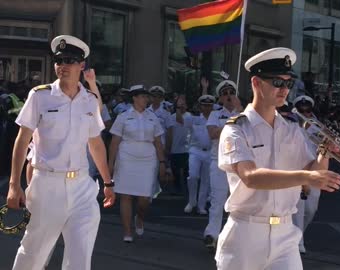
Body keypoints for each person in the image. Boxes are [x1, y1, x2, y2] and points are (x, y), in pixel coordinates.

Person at [215, 47, 340, 270]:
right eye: (277, 82)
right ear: (256, 83)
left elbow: (313, 172)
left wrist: (325, 152)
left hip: (285, 233)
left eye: (288, 83)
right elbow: (251, 177)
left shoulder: (293, 129)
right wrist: (308, 175)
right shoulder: (237, 129)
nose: (284, 89)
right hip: (245, 233)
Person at [6, 34, 115, 270]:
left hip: (83, 188)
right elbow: (22, 140)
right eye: (58, 60)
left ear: (81, 65)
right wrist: (14, 184)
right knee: (33, 254)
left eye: (68, 60)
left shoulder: (89, 100)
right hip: (47, 186)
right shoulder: (40, 95)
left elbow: (95, 143)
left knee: (80, 259)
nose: (62, 66)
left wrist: (108, 182)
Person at [108, 84, 166, 242]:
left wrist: (162, 162)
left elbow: (158, 141)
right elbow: (114, 142)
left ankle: (139, 218)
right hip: (127, 158)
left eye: (146, 96)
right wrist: (110, 163)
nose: (145, 99)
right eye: (142, 96)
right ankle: (127, 231)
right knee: (125, 195)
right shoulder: (123, 116)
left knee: (144, 198)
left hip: (148, 160)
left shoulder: (152, 116)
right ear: (134, 98)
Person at [203, 79, 243, 249]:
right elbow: (213, 133)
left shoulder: (244, 113)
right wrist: (232, 120)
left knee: (238, 203)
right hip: (219, 162)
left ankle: (234, 237)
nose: (228, 96)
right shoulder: (215, 114)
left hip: (239, 163)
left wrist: (238, 111)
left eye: (231, 93)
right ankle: (212, 234)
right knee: (217, 200)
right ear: (220, 98)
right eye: (225, 94)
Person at [291, 95, 321, 254]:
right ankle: (298, 242)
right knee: (299, 209)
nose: (305, 114)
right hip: (298, 172)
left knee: (311, 209)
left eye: (307, 111)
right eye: (301, 111)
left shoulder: (319, 128)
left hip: (315, 172)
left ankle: (297, 234)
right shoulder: (291, 126)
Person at [177, 95, 215, 215]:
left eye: (209, 105)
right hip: (195, 150)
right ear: (200, 107)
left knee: (205, 180)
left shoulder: (216, 119)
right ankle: (191, 201)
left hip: (210, 151)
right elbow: (179, 119)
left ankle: (201, 205)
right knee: (193, 176)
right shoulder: (193, 119)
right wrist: (179, 106)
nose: (207, 108)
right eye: (204, 105)